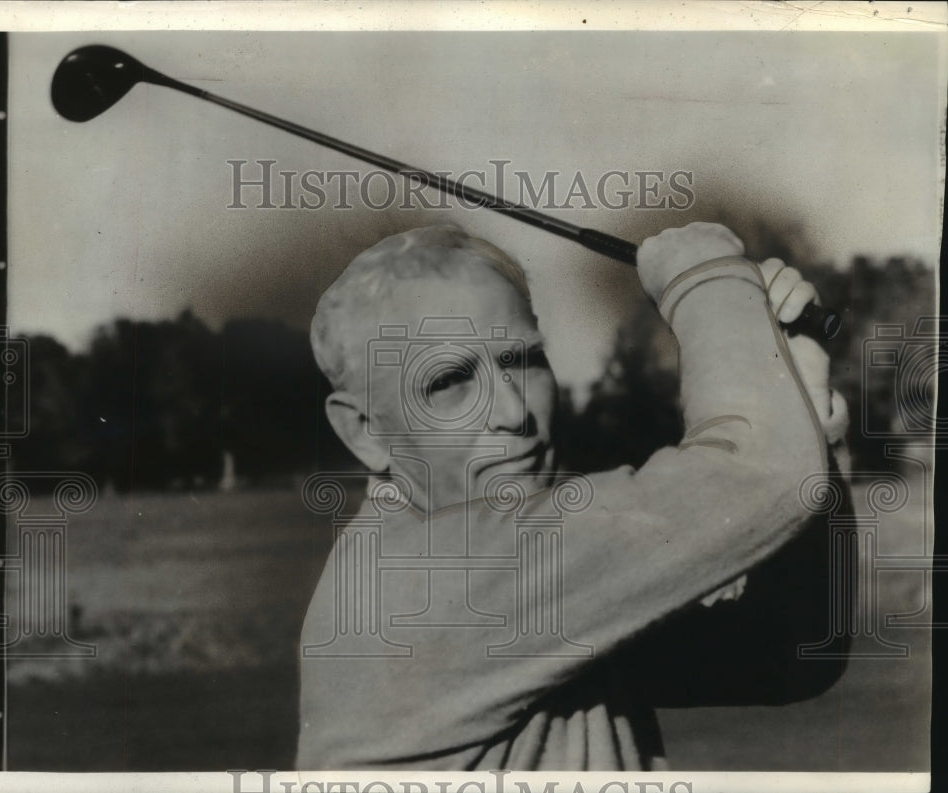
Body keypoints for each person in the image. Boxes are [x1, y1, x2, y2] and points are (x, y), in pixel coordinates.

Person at [297, 222, 849, 770]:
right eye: (448, 381)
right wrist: (708, 277)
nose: (514, 413)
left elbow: (786, 654)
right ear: (364, 432)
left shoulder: (531, 588)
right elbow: (758, 476)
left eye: (523, 360)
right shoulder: (428, 582)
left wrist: (795, 394)